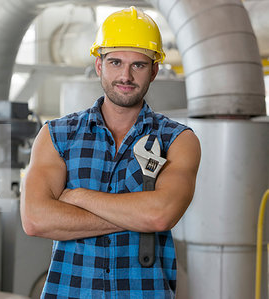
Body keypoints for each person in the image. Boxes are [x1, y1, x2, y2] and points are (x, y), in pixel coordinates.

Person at [20, 6, 201, 298]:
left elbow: (160, 216)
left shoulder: (177, 139)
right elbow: (35, 219)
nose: (126, 76)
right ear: (99, 65)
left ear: (154, 70)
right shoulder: (57, 135)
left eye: (138, 65)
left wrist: (77, 198)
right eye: (115, 62)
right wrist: (135, 213)